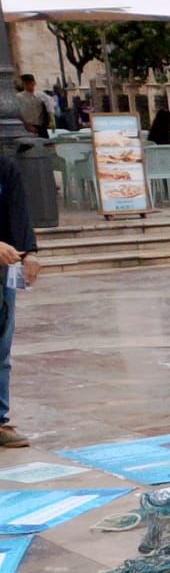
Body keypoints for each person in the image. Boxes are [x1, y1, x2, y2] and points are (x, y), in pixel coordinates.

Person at [0, 151, 42, 450]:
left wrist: (29, 252)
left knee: (1, 346)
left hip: (3, 267)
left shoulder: (5, 166)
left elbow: (19, 210)